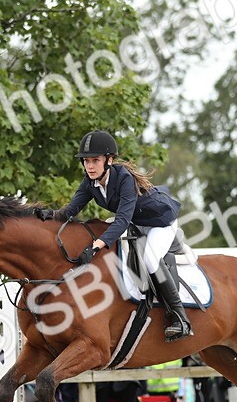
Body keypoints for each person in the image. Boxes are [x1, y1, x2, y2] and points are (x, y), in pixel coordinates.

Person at [41, 130, 192, 342]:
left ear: (109, 160)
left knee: (149, 258)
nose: (90, 166)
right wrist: (49, 215)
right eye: (86, 161)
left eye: (95, 160)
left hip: (160, 222)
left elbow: (121, 221)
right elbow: (70, 211)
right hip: (136, 223)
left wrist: (95, 246)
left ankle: (180, 318)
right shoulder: (90, 182)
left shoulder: (124, 179)